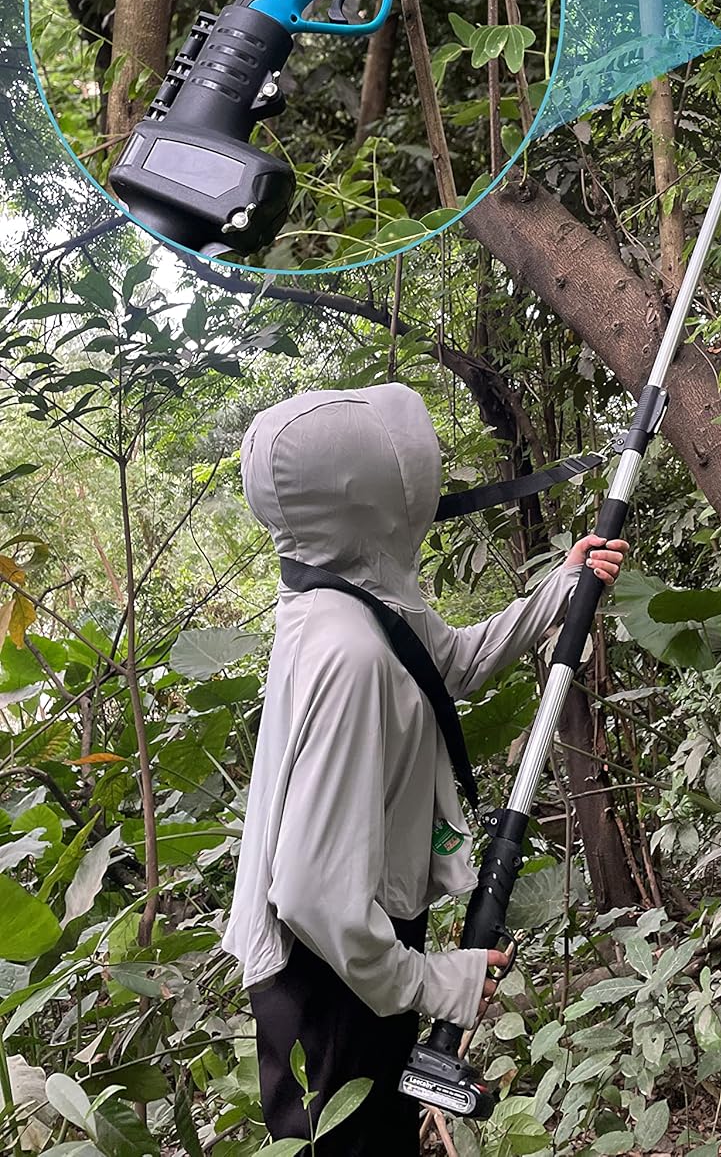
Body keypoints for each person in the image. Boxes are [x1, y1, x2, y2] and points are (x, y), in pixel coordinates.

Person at [222, 385, 628, 1155]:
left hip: (354, 951)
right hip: (326, 975)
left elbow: (448, 663)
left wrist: (560, 592)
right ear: (372, 499)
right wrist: (429, 980)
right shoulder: (346, 652)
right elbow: (311, 892)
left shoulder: (347, 597)